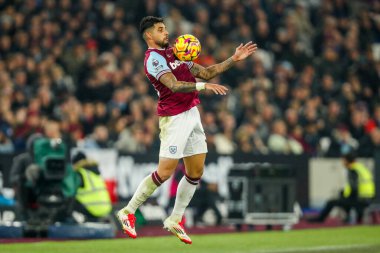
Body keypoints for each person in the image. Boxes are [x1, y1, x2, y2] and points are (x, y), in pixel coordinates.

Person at [116, 16, 257, 244]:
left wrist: (234, 59)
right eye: (161, 30)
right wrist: (203, 87)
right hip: (173, 118)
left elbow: (208, 72)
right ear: (149, 35)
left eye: (165, 29)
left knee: (195, 172)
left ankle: (175, 219)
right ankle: (128, 211)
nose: (166, 33)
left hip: (192, 113)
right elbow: (173, 85)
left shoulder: (176, 53)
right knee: (164, 172)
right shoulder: (153, 59)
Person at [308, 151, 375, 223]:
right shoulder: (361, 168)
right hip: (369, 197)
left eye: (343, 160)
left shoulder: (352, 170)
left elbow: (354, 188)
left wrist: (344, 195)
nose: (342, 162)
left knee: (331, 202)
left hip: (360, 199)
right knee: (345, 199)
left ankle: (320, 219)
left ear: (346, 161)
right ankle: (349, 218)